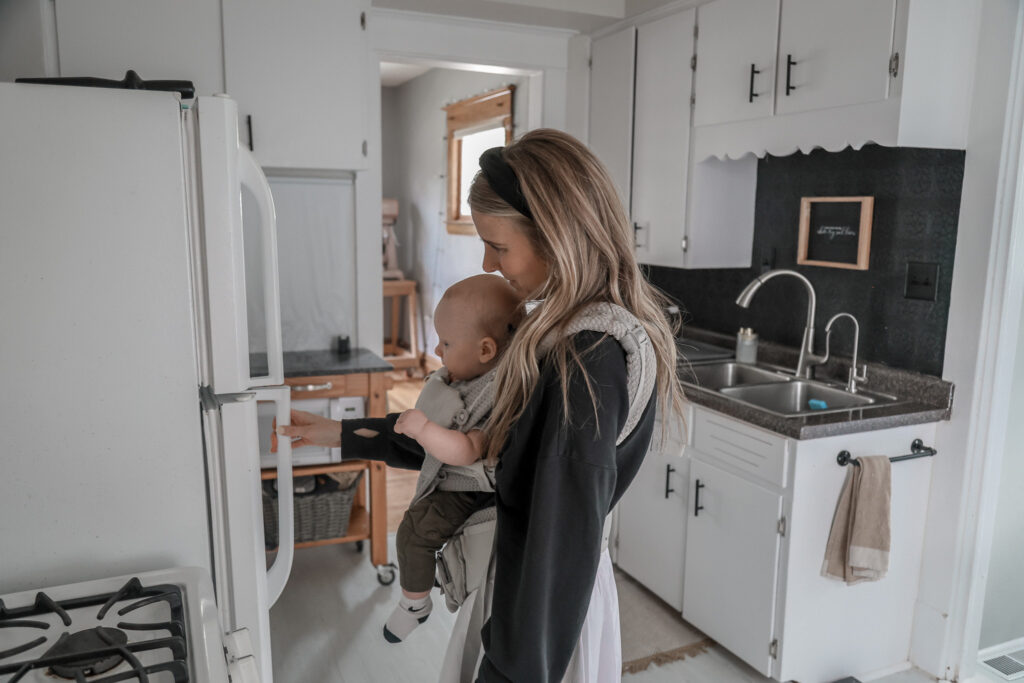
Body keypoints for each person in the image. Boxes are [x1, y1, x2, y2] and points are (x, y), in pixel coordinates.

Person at [276, 129, 686, 683]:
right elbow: (466, 434)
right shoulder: (557, 329)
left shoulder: (586, 360)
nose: (489, 264)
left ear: (557, 235)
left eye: (498, 244)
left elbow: (557, 540)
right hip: (517, 593)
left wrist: (512, 668)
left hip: (539, 621)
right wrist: (340, 434)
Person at [384, 274, 520, 643]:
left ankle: (415, 605)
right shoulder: (469, 379)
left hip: (468, 489)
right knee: (410, 529)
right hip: (457, 479)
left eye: (446, 342)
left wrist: (424, 430)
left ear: (486, 350)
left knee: (414, 534)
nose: (439, 352)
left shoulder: (499, 395)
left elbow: (466, 450)